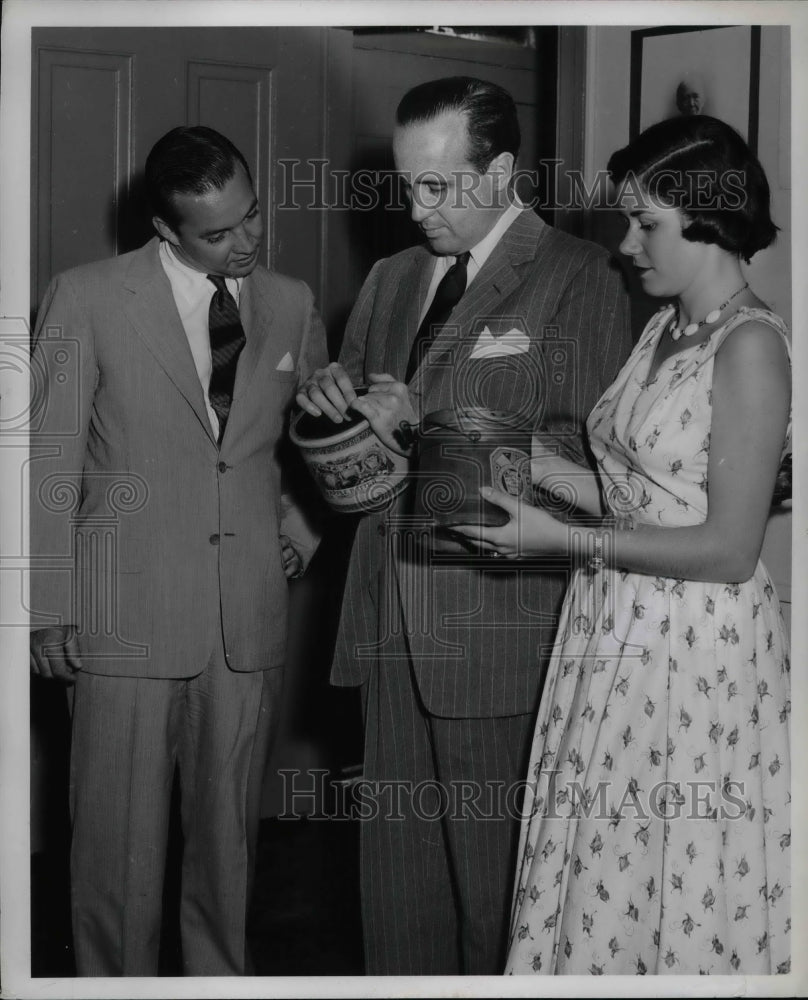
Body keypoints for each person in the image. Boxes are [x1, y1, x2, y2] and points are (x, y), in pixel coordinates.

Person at [297, 76, 632, 975]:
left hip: (499, 631)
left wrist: (426, 424)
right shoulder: (391, 278)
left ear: (505, 171)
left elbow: (592, 478)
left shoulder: (585, 276)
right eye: (407, 186)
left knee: (497, 907)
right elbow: (364, 474)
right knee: (395, 902)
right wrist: (333, 412)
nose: (416, 210)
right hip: (386, 625)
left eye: (440, 187)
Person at [453, 115, 791, 975]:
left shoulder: (750, 346)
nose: (626, 244)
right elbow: (629, 488)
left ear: (707, 218)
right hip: (614, 630)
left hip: (694, 652)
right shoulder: (665, 329)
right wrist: (471, 441)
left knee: (678, 879)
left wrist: (565, 542)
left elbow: (726, 549)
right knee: (608, 874)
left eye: (646, 224)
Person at [28, 125, 328, 976]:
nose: (246, 241)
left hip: (244, 621)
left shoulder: (292, 301)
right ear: (165, 230)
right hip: (120, 618)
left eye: (252, 216)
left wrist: (300, 537)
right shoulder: (85, 297)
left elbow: (320, 438)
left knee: (228, 848)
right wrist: (46, 609)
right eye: (218, 233)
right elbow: (44, 461)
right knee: (115, 858)